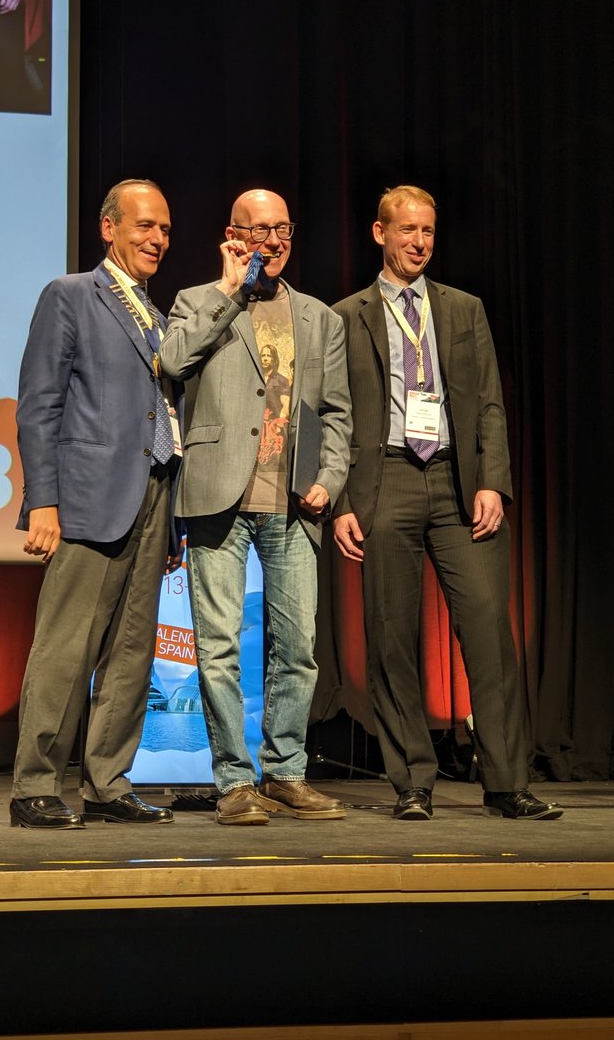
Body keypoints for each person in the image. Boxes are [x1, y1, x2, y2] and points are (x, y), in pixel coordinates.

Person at [332, 185, 562, 821]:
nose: (419, 242)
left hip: (460, 484)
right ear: (380, 234)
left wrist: (493, 481)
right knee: (391, 640)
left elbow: (489, 400)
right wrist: (346, 500)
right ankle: (412, 782)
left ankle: (507, 782)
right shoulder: (345, 316)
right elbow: (332, 414)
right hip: (387, 480)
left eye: (428, 231)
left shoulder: (464, 310)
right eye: (407, 230)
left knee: (489, 630)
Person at [160, 189, 351, 825]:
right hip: (219, 494)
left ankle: (285, 772)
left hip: (293, 504)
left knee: (297, 646)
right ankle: (233, 782)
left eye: (282, 229)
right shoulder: (198, 300)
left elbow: (338, 414)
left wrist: (330, 475)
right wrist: (228, 286)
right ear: (233, 234)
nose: (272, 240)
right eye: (258, 230)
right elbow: (174, 360)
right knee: (217, 648)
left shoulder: (321, 317)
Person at [10, 179, 182, 830]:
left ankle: (108, 780)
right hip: (87, 500)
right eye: (144, 226)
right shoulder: (71, 296)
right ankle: (34, 784)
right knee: (66, 647)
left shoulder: (158, 317)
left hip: (154, 497)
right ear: (108, 228)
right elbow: (39, 404)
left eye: (164, 229)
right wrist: (42, 502)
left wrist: (176, 518)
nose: (157, 239)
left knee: (132, 651)